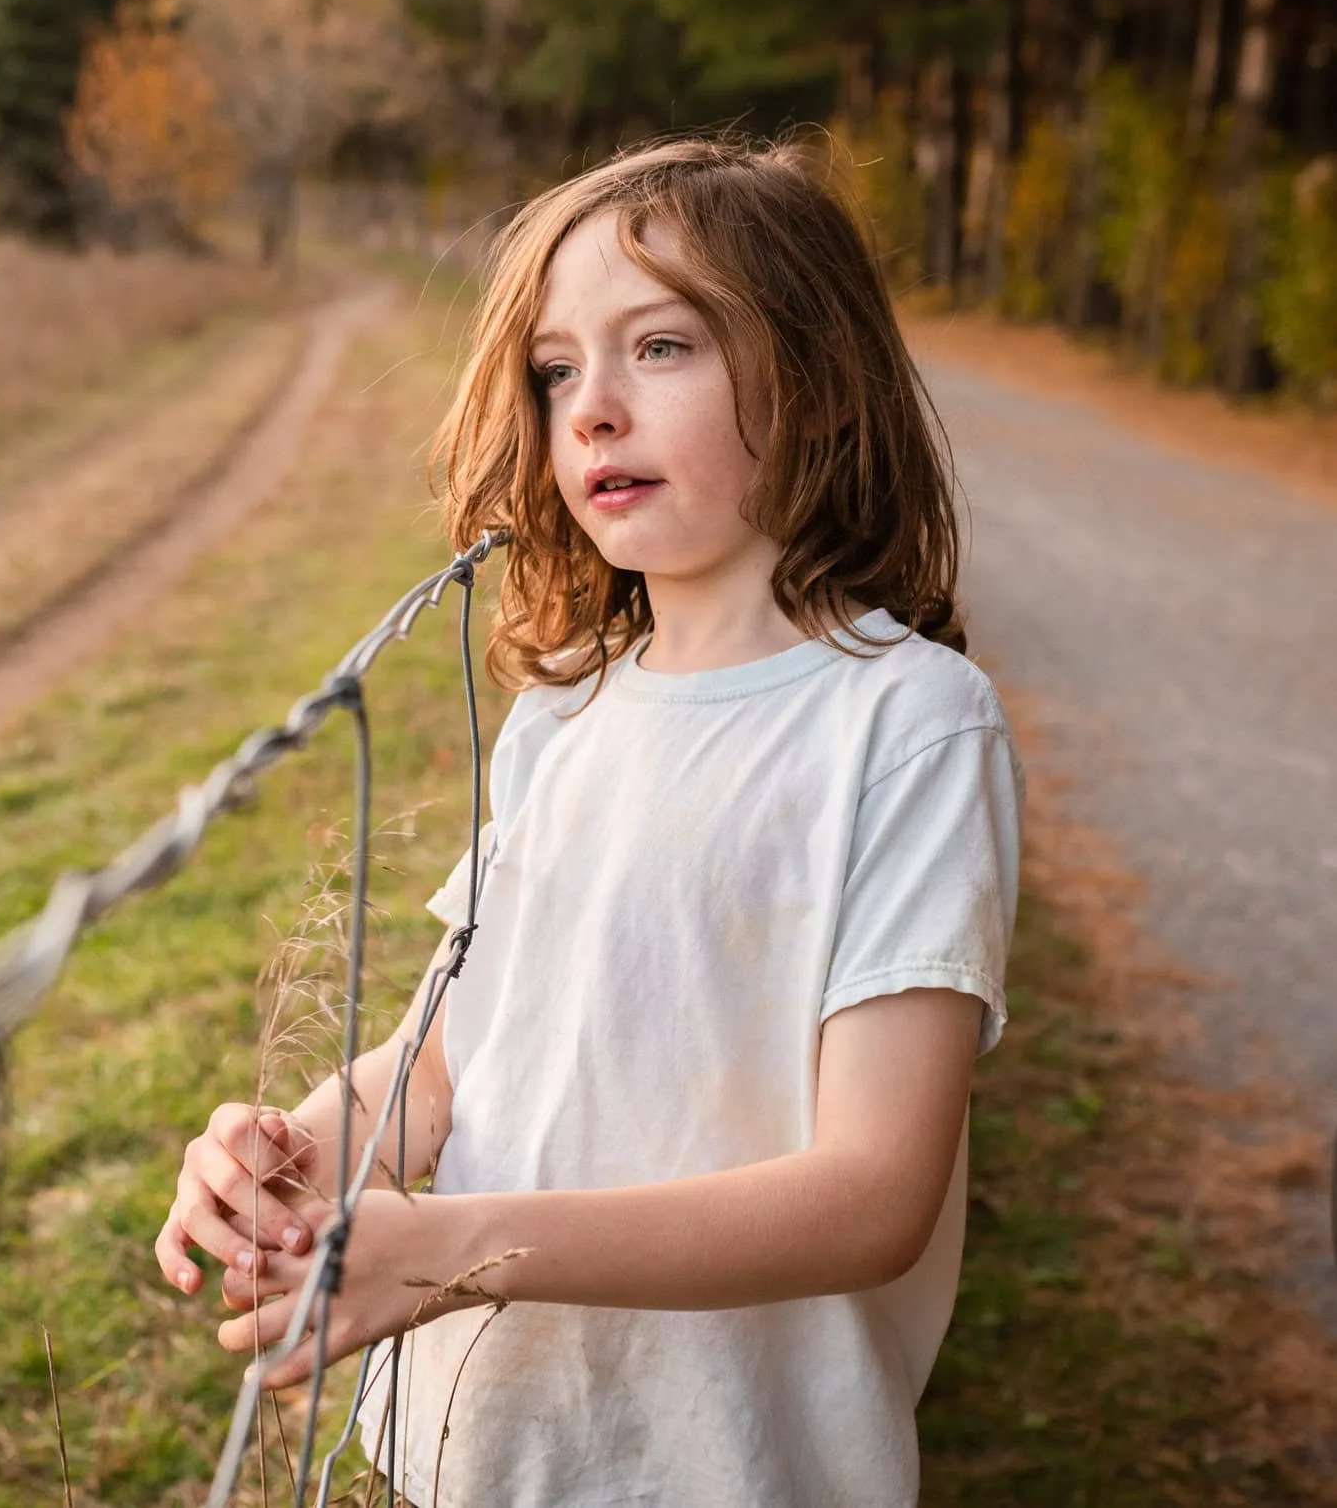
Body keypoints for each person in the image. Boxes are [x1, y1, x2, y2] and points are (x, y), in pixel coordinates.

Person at [151, 133, 1023, 1505]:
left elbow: (873, 1190)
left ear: (816, 380)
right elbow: (448, 1066)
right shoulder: (567, 714)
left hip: (730, 1461)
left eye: (661, 346)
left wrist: (451, 1248)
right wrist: (303, 1149)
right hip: (487, 1447)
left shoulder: (908, 724)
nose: (593, 409)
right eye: (558, 369)